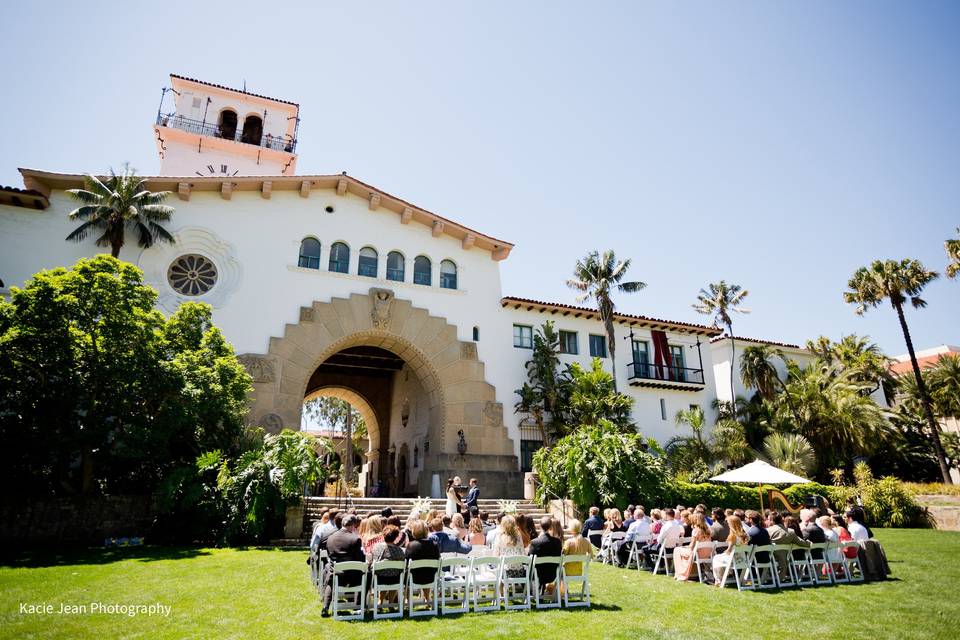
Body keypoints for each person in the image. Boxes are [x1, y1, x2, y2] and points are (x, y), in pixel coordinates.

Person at [321, 514, 365, 616]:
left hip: (335, 574)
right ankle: (359, 605)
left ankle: (325, 607)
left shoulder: (331, 538)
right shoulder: (355, 539)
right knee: (368, 573)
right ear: (353, 525)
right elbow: (361, 559)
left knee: (330, 576)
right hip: (351, 576)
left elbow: (330, 556)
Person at [766, 510, 810, 581]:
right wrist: (809, 543)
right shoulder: (790, 532)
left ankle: (770, 578)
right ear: (781, 520)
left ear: (773, 521)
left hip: (770, 557)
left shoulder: (768, 530)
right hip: (785, 559)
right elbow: (800, 542)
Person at [712, 514, 749, 586]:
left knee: (716, 558)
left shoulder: (733, 536)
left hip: (734, 560)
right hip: (743, 559)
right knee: (720, 557)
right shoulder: (744, 535)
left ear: (732, 524)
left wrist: (725, 551)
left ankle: (719, 579)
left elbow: (729, 550)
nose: (727, 525)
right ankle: (726, 576)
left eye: (728, 523)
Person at [673, 513, 712, 581]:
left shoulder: (696, 530)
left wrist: (685, 547)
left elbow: (691, 546)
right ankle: (685, 572)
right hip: (707, 554)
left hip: (697, 554)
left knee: (677, 549)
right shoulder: (708, 530)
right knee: (680, 549)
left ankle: (680, 573)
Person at [528, 516, 563, 590]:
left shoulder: (535, 542)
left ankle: (532, 591)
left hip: (537, 575)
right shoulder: (557, 542)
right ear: (551, 527)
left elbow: (529, 559)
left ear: (540, 526)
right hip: (552, 574)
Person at [405, 520, 441, 591]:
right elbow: (438, 559)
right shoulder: (434, 545)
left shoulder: (410, 545)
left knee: (408, 571)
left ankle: (407, 599)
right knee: (427, 570)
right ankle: (427, 598)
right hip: (431, 578)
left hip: (413, 578)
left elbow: (406, 562)